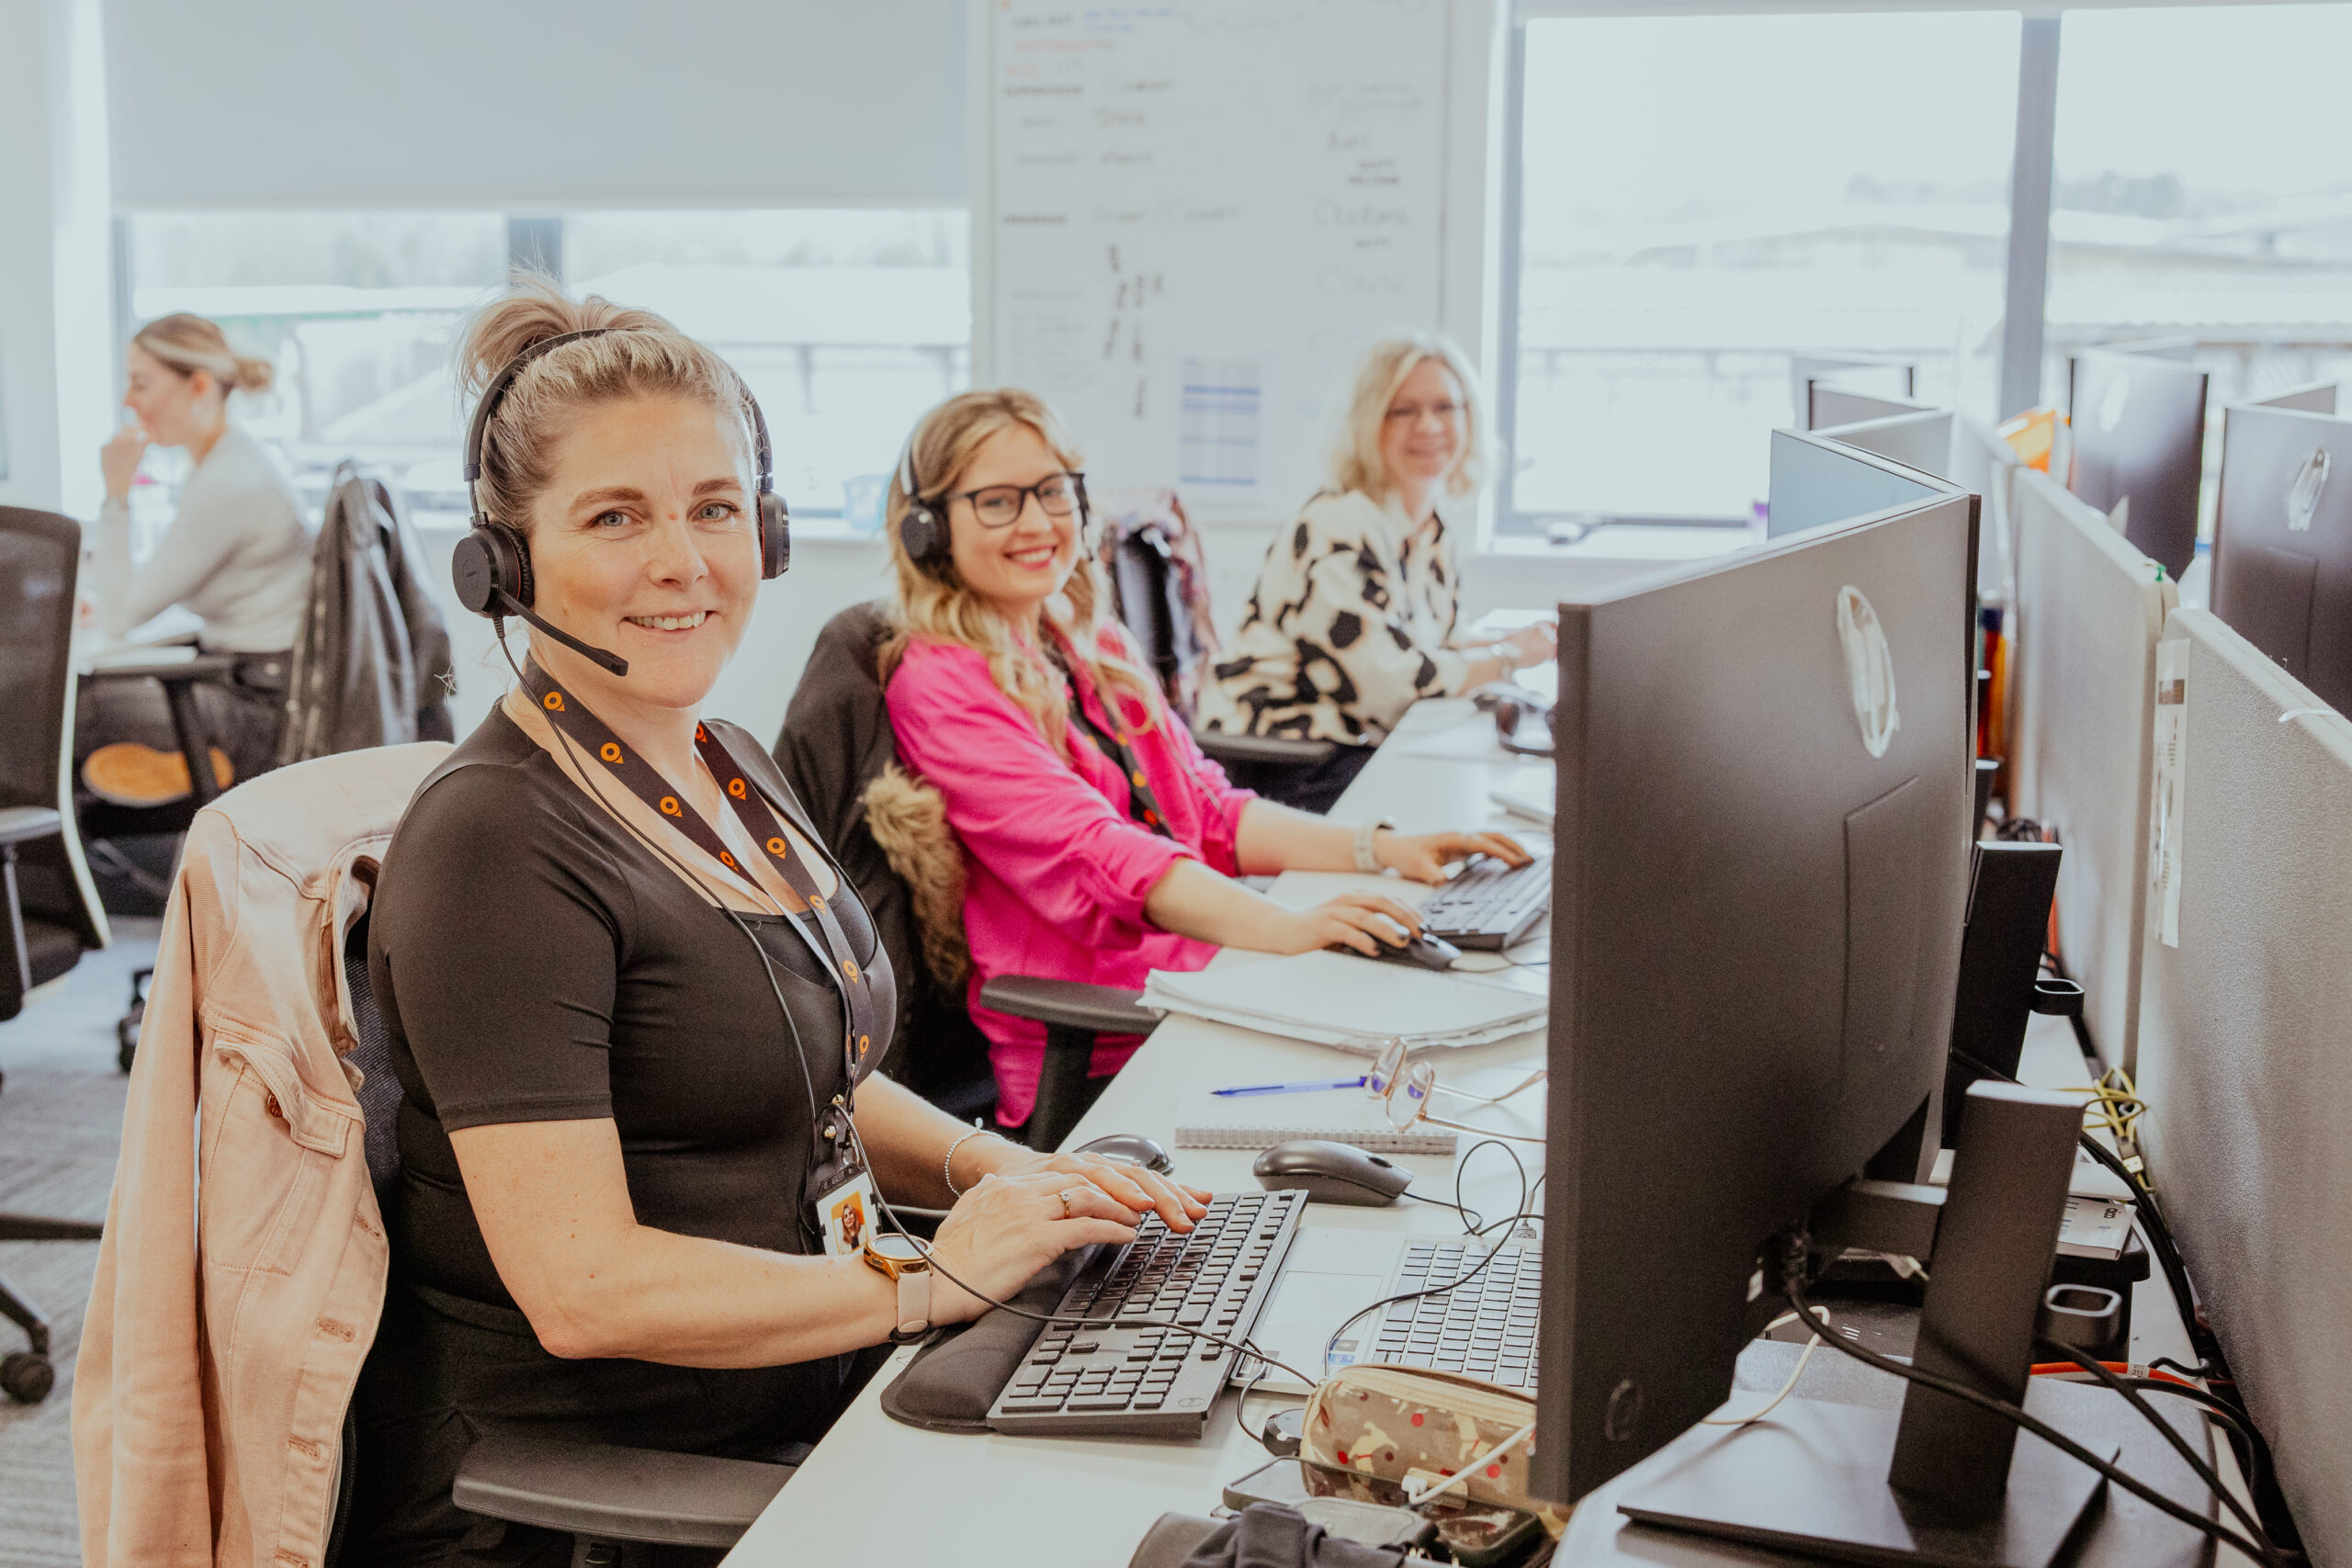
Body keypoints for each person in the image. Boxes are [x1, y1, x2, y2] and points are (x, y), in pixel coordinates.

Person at [351, 280, 1203, 1568]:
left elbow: (825, 1082)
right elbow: (583, 1287)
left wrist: (1004, 1173)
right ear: (504, 559)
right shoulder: (495, 840)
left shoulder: (726, 758)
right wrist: (938, 1279)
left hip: (811, 1383)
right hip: (604, 1491)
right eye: (615, 516)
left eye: (714, 507)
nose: (684, 559)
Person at [880, 389, 1531, 1134]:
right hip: (1113, 1049)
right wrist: (1284, 925)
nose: (1037, 521)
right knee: (1417, 1097)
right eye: (997, 501)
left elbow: (1208, 808)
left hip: (1205, 982)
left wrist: (1383, 847)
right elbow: (1102, 852)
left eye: (1053, 490)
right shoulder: (940, 684)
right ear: (929, 528)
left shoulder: (1088, 640)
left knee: (1445, 1044)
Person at [1198, 334, 1557, 812]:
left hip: (1356, 741)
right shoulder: (1337, 526)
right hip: (1294, 755)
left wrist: (1525, 640)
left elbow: (1431, 640)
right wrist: (1510, 656)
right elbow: (1391, 688)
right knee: (1455, 808)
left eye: (1445, 407)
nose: (1428, 425)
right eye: (1402, 410)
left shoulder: (1428, 528)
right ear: (1370, 424)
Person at [80, 313, 313, 805]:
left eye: (140, 384)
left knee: (69, 707)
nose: (128, 401)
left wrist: (116, 494)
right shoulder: (230, 461)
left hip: (255, 712)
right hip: (247, 685)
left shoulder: (227, 482)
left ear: (199, 386)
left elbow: (122, 615)